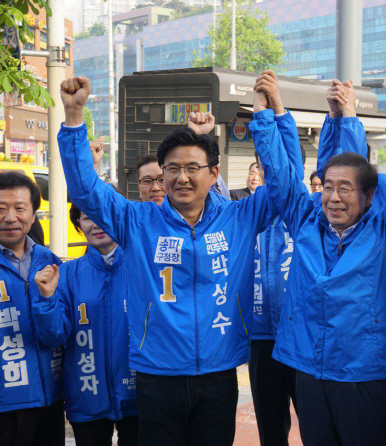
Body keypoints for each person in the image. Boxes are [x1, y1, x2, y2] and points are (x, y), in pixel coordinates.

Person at [57, 75, 274, 446]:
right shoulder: (136, 221)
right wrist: (75, 116)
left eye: (192, 168)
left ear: (213, 174)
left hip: (220, 375)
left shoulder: (240, 217)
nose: (181, 178)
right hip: (155, 376)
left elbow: (284, 186)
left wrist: (265, 119)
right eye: (172, 168)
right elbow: (84, 191)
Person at [250, 73, 386, 445]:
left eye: (345, 189)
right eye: (327, 186)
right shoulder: (306, 220)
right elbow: (281, 176)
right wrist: (265, 116)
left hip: (363, 374)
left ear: (369, 196)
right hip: (310, 372)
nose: (333, 197)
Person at [31, 198, 138, 446]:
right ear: (78, 224)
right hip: (87, 394)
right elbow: (54, 336)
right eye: (87, 217)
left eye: (103, 215)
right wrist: (46, 299)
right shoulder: (67, 274)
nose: (96, 223)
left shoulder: (142, 267)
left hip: (140, 394)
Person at [247, 71, 304, 446]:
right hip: (260, 338)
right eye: (259, 171)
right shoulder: (244, 215)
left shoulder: (304, 214)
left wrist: (277, 109)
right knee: (271, 429)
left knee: (315, 423)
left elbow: (290, 170)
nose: (265, 177)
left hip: (299, 333)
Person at [0, 172, 64, 446]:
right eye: (1, 209)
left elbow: (57, 335)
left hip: (48, 398)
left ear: (34, 214)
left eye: (20, 208)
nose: (10, 217)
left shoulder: (48, 261)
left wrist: (47, 299)